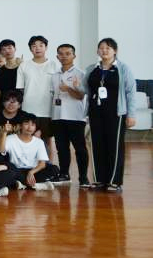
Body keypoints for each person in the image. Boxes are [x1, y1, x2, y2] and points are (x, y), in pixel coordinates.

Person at [84, 37, 137, 192]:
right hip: (95, 113)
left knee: (114, 147)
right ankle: (99, 180)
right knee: (96, 145)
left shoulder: (123, 69)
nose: (104, 51)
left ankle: (114, 181)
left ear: (115, 51)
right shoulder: (92, 68)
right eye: (101, 48)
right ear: (97, 51)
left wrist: (131, 114)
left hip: (116, 114)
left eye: (108, 48)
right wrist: (74, 86)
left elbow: (131, 92)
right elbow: (85, 89)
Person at [51, 43, 88, 186]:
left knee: (80, 148)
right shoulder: (54, 75)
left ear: (74, 56)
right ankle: (64, 174)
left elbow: (80, 96)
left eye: (68, 53)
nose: (64, 56)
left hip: (76, 117)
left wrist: (68, 89)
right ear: (57, 56)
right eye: (61, 54)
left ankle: (83, 177)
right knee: (61, 148)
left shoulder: (81, 74)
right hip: (58, 116)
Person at [0, 115, 59, 191]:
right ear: (20, 126)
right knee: (6, 167)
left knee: (54, 169)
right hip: (17, 170)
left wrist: (31, 172)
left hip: (34, 171)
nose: (29, 127)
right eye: (26, 124)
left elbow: (42, 164)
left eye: (33, 125)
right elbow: (1, 150)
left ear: (35, 127)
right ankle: (35, 184)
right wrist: (4, 133)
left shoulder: (39, 142)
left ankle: (22, 183)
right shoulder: (11, 139)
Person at [16, 35, 57, 142]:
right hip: (28, 109)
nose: (37, 48)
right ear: (30, 49)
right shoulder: (24, 65)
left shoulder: (54, 65)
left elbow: (57, 89)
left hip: (48, 110)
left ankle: (49, 155)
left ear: (46, 47)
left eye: (41, 45)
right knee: (28, 139)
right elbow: (20, 89)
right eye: (34, 46)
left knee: (48, 140)